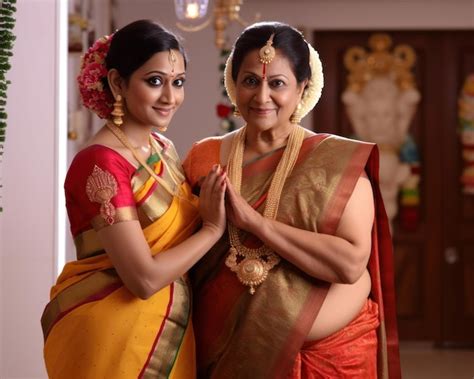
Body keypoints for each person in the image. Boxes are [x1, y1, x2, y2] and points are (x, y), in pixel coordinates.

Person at [183, 21, 401, 378]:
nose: (262, 96)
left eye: (277, 83)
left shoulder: (335, 164)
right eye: (250, 81)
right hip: (227, 349)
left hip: (332, 359)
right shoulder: (203, 158)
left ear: (302, 88)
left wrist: (255, 224)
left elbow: (349, 266)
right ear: (233, 85)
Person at [41, 20, 226, 379]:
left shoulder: (164, 149)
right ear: (117, 82)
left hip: (169, 328)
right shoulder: (100, 163)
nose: (170, 97)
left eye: (178, 82)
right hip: (118, 338)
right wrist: (213, 229)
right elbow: (143, 279)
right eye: (154, 81)